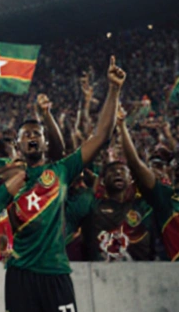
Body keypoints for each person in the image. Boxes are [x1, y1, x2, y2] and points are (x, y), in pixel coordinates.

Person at [0, 56, 124, 312]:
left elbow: (101, 136)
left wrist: (112, 89)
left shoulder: (62, 170)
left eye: (36, 133)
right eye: (25, 136)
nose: (32, 139)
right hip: (20, 276)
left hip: (56, 274)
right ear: (19, 145)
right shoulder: (13, 180)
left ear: (44, 140)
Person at [68, 107, 160, 261]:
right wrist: (86, 106)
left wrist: (122, 126)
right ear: (102, 180)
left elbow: (137, 165)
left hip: (143, 278)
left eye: (122, 171)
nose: (117, 173)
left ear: (131, 179)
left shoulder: (142, 206)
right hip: (98, 277)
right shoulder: (91, 206)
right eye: (112, 171)